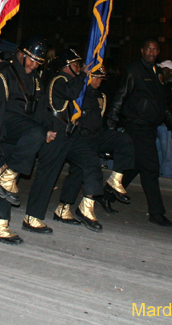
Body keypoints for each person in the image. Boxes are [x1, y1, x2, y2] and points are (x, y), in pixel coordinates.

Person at [0, 35, 54, 244]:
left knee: (9, 178)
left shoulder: (35, 79)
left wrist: (46, 129)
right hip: (6, 125)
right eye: (32, 60)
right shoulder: (2, 73)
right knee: (33, 137)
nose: (34, 65)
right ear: (21, 54)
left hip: (24, 129)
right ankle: (5, 174)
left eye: (38, 62)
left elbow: (39, 108)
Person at [106, 38, 172, 227]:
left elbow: (162, 103)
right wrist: (111, 124)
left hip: (150, 127)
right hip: (136, 126)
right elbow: (120, 96)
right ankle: (156, 213)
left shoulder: (158, 73)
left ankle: (105, 195)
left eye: (155, 50)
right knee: (151, 168)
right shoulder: (134, 70)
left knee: (135, 166)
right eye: (148, 49)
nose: (151, 53)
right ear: (142, 50)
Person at [56, 66, 134, 230]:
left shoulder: (100, 96)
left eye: (101, 78)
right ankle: (79, 208)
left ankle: (115, 180)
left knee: (123, 140)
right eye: (96, 77)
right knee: (85, 168)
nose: (99, 81)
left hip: (95, 136)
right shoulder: (78, 92)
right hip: (77, 138)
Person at [26, 48, 88, 232]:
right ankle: (32, 216)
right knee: (46, 175)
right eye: (76, 64)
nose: (79, 67)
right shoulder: (59, 79)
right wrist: (83, 76)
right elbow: (72, 93)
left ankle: (61, 209)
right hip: (54, 133)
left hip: (64, 134)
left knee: (63, 171)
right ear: (67, 65)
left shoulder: (66, 80)